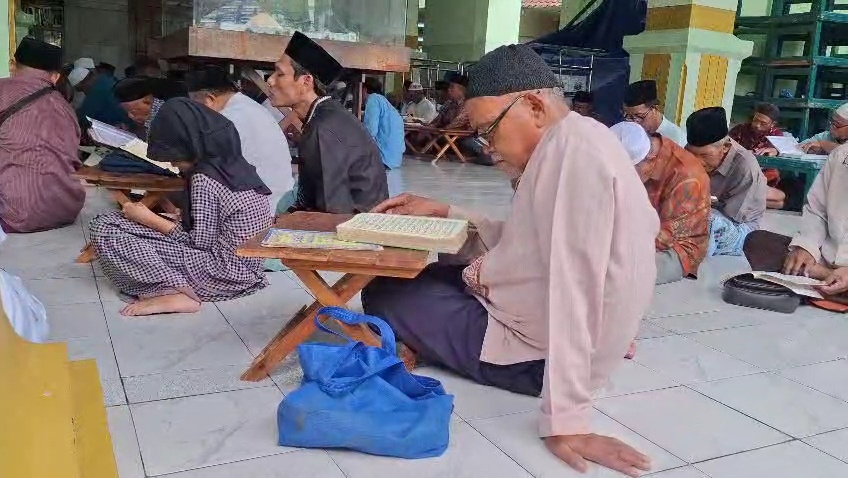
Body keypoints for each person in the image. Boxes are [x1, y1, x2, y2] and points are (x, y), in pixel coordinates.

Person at [363, 44, 659, 476]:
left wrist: (568, 421)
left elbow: (577, 288)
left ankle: (441, 343)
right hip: (541, 323)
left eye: (490, 130)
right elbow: (527, 242)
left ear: (535, 107)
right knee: (430, 271)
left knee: (387, 293)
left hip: (539, 360)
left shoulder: (574, 155)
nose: (486, 147)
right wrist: (446, 212)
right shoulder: (573, 140)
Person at [89, 98, 271, 317]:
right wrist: (176, 218)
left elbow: (198, 244)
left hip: (222, 273)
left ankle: (173, 290)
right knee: (115, 223)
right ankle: (172, 285)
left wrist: (149, 219)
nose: (173, 164)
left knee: (106, 228)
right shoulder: (233, 165)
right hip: (247, 269)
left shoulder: (205, 179)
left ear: (189, 145)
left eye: (174, 157)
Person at [266, 31, 388, 214]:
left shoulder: (323, 128)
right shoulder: (326, 115)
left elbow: (332, 211)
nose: (270, 80)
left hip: (356, 228)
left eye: (280, 74)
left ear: (306, 81)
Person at [0, 37, 85, 233]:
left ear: (12, 65)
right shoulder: (67, 109)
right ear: (55, 77)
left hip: (15, 215)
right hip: (66, 210)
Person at [186, 66, 294, 216]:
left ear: (209, 99)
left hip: (264, 208)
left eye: (195, 106)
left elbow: (210, 171)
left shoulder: (227, 118)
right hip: (280, 197)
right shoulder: (249, 106)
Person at [611, 122, 710, 284]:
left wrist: (615, 249)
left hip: (674, 247)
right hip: (634, 233)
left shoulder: (686, 175)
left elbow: (666, 237)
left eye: (627, 171)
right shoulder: (642, 153)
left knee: (618, 275)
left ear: (648, 159)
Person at [743, 144, 848, 296]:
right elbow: (817, 211)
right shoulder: (840, 155)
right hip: (825, 259)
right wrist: (806, 246)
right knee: (757, 240)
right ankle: (827, 276)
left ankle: (822, 276)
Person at [685, 107, 768, 257]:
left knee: (708, 224)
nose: (697, 162)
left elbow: (731, 218)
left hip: (738, 227)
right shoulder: (688, 154)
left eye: (704, 155)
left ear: (725, 147)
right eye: (692, 154)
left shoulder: (745, 166)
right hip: (702, 211)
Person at [729, 102, 787, 209]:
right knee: (777, 201)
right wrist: (743, 151)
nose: (757, 125)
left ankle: (740, 200)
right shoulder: (740, 129)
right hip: (740, 171)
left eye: (763, 123)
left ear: (773, 124)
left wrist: (776, 150)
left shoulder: (777, 135)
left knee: (779, 202)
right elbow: (725, 145)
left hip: (761, 173)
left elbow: (786, 149)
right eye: (755, 120)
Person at [624, 80, 687, 147]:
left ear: (655, 108)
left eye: (639, 116)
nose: (634, 122)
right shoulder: (629, 132)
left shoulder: (676, 138)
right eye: (629, 116)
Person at [362, 77, 405, 170]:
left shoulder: (373, 99)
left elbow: (370, 131)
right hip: (395, 159)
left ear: (364, 89)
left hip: (383, 158)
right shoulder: (383, 101)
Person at [69, 66, 133, 129]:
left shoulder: (97, 91)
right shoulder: (106, 80)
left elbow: (84, 118)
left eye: (83, 89)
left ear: (84, 81)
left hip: (124, 127)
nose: (85, 93)